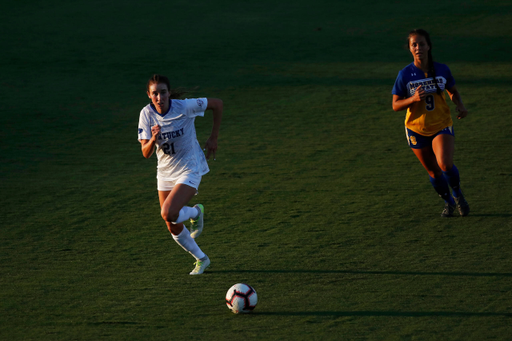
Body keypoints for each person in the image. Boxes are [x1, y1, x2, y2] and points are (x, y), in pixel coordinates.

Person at [138, 74, 223, 274]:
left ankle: (195, 212)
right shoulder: (146, 115)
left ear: (169, 92)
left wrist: (213, 137)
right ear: (149, 95)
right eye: (155, 94)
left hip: (189, 167)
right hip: (165, 173)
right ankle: (202, 258)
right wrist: (153, 138)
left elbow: (217, 104)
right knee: (172, 224)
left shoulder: (184, 107)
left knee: (168, 212)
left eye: (163, 92)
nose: (160, 97)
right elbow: (145, 153)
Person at [392, 29, 470, 217]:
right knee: (434, 172)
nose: (418, 47)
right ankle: (448, 202)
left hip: (441, 124)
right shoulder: (405, 74)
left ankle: (458, 194)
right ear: (410, 49)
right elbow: (395, 105)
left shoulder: (442, 69)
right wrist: (412, 99)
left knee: (444, 164)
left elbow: (453, 91)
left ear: (429, 46)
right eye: (414, 45)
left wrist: (459, 104)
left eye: (421, 44)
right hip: (416, 129)